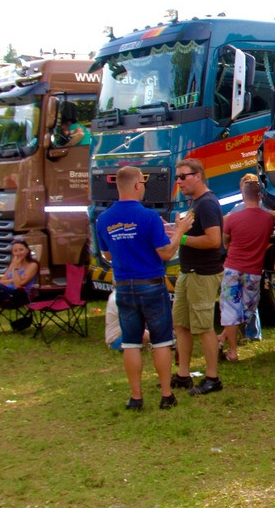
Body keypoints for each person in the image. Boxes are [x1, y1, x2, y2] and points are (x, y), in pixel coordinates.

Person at [97, 165, 191, 410]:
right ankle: (166, 395)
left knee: (131, 342)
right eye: (144, 184)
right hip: (151, 284)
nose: (145, 188)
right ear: (137, 185)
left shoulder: (104, 219)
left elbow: (107, 254)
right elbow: (166, 253)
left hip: (124, 287)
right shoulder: (149, 217)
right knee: (160, 341)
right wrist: (179, 230)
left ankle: (136, 398)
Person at [171, 158, 225, 396]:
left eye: (183, 177)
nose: (179, 182)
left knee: (204, 327)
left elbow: (214, 240)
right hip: (188, 272)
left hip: (202, 274)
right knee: (181, 324)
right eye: (177, 177)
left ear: (198, 176)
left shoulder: (207, 204)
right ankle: (183, 375)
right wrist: (174, 231)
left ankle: (212, 378)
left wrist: (181, 238)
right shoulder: (195, 203)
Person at [218, 178, 275, 362]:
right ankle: (222, 340)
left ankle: (230, 348)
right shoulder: (268, 218)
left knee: (230, 310)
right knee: (246, 310)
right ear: (260, 196)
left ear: (243, 195)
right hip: (254, 271)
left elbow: (226, 242)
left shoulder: (233, 218)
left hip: (232, 268)